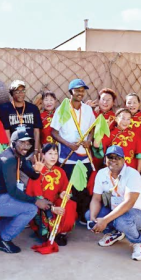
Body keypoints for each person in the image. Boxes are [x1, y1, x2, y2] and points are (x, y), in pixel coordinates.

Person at [0, 130, 53, 253]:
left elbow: (33, 176)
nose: (26, 146)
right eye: (22, 143)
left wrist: (37, 170)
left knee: (24, 205)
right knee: (30, 209)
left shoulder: (17, 156)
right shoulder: (9, 159)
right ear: (13, 143)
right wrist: (36, 201)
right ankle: (3, 239)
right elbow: (13, 191)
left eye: (28, 143)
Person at [86, 145, 141, 261]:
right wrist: (93, 220)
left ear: (124, 159)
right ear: (105, 159)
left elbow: (128, 203)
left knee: (122, 221)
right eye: (110, 157)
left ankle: (139, 242)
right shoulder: (101, 173)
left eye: (117, 157)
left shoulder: (133, 174)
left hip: (138, 214)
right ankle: (115, 233)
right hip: (115, 211)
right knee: (89, 215)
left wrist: (105, 221)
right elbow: (96, 199)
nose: (113, 160)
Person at [51, 78, 96, 224]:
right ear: (71, 91)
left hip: (84, 155)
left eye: (82, 90)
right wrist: (68, 144)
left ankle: (83, 215)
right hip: (67, 155)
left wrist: (89, 140)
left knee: (84, 186)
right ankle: (71, 215)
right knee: (70, 187)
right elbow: (54, 132)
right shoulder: (62, 109)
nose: (80, 93)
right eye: (77, 90)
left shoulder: (88, 109)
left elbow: (92, 128)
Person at [26, 143, 77, 246]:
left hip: (54, 202)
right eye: (50, 153)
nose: (53, 156)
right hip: (40, 206)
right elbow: (36, 197)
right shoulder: (37, 171)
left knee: (70, 204)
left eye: (56, 153)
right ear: (43, 155)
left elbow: (67, 190)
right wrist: (52, 209)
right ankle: (47, 230)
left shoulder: (60, 171)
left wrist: (64, 194)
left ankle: (61, 233)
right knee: (44, 235)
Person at [93, 108, 141, 173]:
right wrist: (103, 129)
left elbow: (140, 155)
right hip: (112, 170)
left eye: (128, 119)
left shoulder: (134, 135)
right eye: (123, 118)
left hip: (130, 170)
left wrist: (138, 173)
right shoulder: (111, 134)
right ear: (116, 119)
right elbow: (96, 145)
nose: (125, 121)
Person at [0, 80, 43, 153]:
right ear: (12, 93)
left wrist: (36, 150)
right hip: (15, 149)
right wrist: (11, 150)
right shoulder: (5, 109)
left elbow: (36, 131)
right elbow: (6, 131)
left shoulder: (33, 108)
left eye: (23, 91)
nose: (20, 94)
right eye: (17, 91)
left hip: (31, 148)